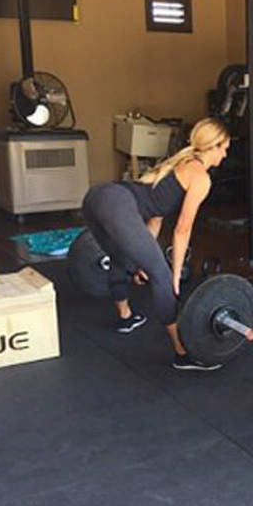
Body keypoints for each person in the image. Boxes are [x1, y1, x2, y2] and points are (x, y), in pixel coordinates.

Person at [82, 117, 231, 370]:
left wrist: (144, 260)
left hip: (96, 198)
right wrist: (173, 275)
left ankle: (125, 317)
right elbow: (182, 230)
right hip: (117, 204)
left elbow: (155, 217)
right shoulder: (200, 178)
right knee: (161, 275)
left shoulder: (180, 162)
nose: (225, 155)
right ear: (213, 146)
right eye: (224, 148)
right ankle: (182, 354)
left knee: (122, 257)